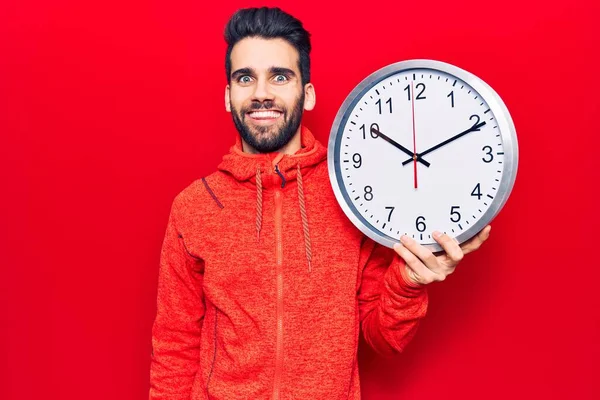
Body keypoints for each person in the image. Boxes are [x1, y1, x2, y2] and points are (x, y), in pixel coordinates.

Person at [149, 6, 491, 400]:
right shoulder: (196, 206)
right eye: (246, 78)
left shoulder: (354, 193)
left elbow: (383, 338)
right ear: (228, 96)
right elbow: (174, 344)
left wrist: (409, 283)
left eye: (280, 76)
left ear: (307, 93)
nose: (262, 93)